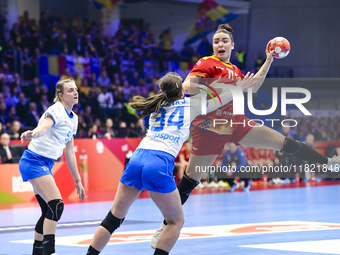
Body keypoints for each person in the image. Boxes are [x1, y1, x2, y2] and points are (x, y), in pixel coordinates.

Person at [151, 23, 340, 247]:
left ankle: (327, 162)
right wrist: (231, 87)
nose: (219, 44)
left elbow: (253, 87)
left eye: (224, 41)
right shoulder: (207, 63)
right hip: (210, 126)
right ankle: (165, 224)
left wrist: (268, 61)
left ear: (232, 44)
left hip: (235, 122)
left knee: (284, 142)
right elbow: (189, 85)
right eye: (216, 41)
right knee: (191, 179)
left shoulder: (235, 69)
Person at [86, 72, 253, 255]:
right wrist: (240, 88)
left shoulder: (157, 106)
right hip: (158, 162)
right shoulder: (191, 105)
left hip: (137, 158)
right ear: (182, 91)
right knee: (176, 221)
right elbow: (219, 100)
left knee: (113, 219)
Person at [19, 79, 85, 255]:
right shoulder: (56, 109)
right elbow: (44, 126)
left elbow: (69, 152)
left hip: (45, 164)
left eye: (76, 89)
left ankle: (37, 252)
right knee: (56, 205)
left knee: (48, 210)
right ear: (61, 95)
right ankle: (50, 252)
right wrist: (33, 133)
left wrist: (77, 180)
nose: (75, 92)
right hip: (33, 161)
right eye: (70, 90)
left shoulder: (74, 119)